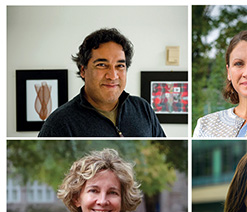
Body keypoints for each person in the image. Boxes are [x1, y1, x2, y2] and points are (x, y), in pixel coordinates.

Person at [38, 28, 166, 137]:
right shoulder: (59, 123)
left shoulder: (142, 108)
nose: (112, 75)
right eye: (102, 65)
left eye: (120, 66)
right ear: (83, 70)